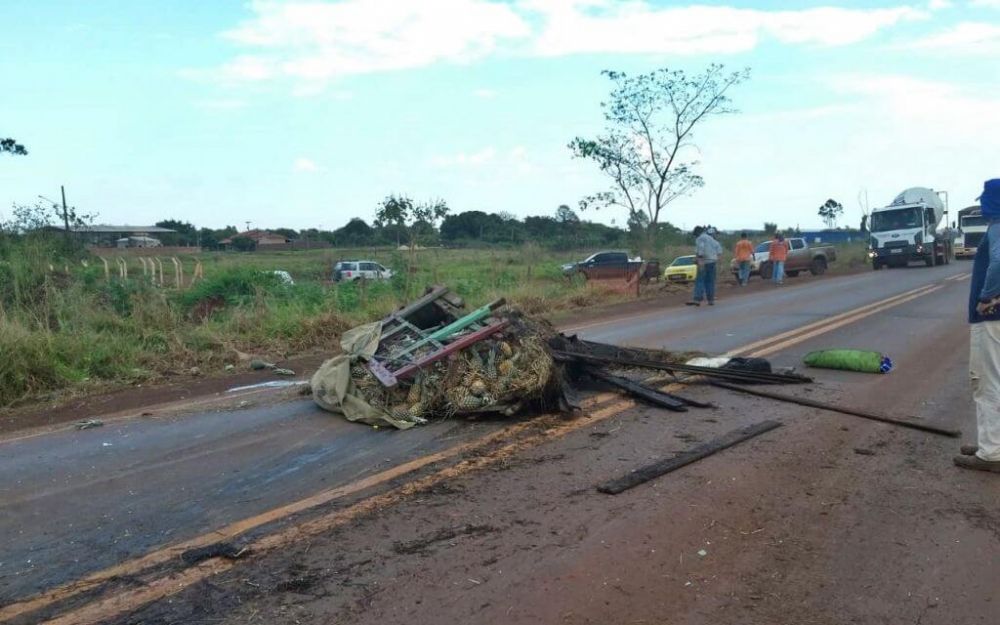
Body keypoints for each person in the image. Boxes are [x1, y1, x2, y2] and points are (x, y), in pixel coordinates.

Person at [956, 179, 1000, 473]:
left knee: (986, 382)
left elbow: (998, 261)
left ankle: (991, 452)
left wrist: (987, 296)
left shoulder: (997, 228)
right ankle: (993, 442)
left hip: (991, 318)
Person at [687, 225, 723, 306]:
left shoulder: (700, 238)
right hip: (712, 262)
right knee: (710, 281)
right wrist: (719, 263)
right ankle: (710, 299)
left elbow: (701, 249)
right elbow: (719, 250)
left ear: (697, 233)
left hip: (703, 262)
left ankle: (697, 299)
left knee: (700, 280)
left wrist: (699, 259)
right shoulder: (712, 239)